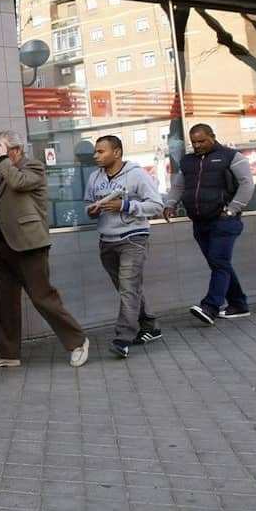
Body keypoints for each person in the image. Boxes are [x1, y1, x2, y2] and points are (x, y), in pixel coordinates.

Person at [0, 130, 90, 370]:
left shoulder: (33, 167)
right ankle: (7, 353)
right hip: (2, 244)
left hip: (29, 244)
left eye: (1, 146)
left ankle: (78, 341)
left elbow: (19, 183)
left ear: (16, 150)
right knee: (4, 300)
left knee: (43, 297)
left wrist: (2, 160)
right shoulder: (8, 167)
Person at [163, 123, 256, 325]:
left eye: (201, 141)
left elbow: (247, 184)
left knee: (219, 262)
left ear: (212, 137)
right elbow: (179, 186)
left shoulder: (231, 157)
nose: (197, 145)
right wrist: (170, 204)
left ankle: (210, 307)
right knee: (218, 263)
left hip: (224, 221)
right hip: (199, 221)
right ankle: (239, 304)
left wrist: (232, 209)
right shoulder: (188, 162)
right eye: (194, 142)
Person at [85, 135, 164, 359]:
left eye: (101, 151)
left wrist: (125, 205)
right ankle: (150, 326)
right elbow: (86, 204)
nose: (96, 156)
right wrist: (92, 210)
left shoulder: (137, 174)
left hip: (133, 238)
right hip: (106, 241)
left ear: (117, 152)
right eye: (95, 151)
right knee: (127, 288)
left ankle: (123, 338)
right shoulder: (94, 178)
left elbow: (156, 205)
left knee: (129, 289)